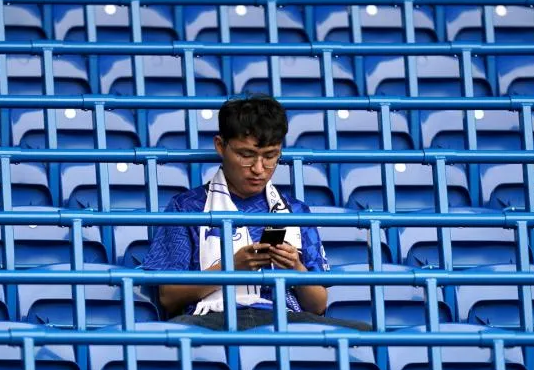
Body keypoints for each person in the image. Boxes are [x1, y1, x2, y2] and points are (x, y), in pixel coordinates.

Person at [141, 94, 372, 331]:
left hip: (286, 320)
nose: (259, 169)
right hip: (212, 321)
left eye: (270, 156)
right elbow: (168, 297)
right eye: (246, 155)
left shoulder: (296, 211)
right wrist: (230, 268)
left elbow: (318, 306)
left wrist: (295, 268)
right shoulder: (185, 207)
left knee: (365, 335)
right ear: (221, 146)